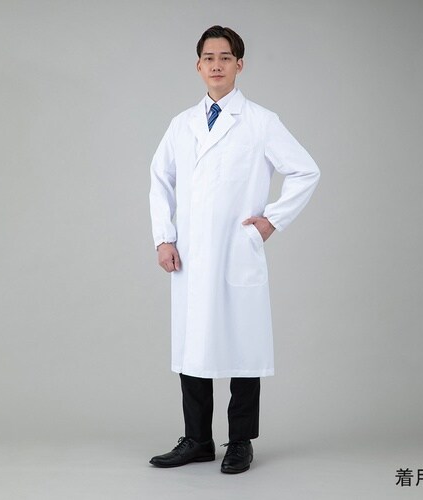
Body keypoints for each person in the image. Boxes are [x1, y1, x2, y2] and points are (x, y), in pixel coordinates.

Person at [148, 25, 320, 474]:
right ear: (198, 66)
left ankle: (240, 441)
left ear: (239, 65)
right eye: (209, 58)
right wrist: (164, 237)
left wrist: (271, 220)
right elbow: (160, 180)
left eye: (226, 57)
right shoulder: (181, 124)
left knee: (243, 346)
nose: (217, 65)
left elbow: (305, 170)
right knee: (193, 344)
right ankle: (197, 440)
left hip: (235, 251)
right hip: (190, 255)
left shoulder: (261, 122)